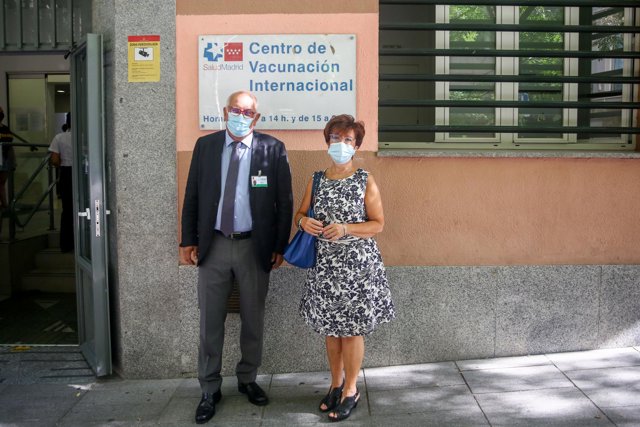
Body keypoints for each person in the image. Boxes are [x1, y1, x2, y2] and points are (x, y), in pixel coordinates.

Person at [180, 90, 293, 424]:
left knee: (253, 318)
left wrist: (279, 246)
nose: (241, 116)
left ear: (256, 118)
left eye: (248, 112)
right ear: (225, 111)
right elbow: (192, 195)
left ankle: (248, 378)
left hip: (254, 247)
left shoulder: (272, 148)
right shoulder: (206, 146)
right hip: (213, 245)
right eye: (236, 110)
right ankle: (209, 388)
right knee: (210, 320)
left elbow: (284, 202)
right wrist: (188, 241)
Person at [295, 114, 395, 422]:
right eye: (336, 138)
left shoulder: (365, 180)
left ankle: (351, 389)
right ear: (328, 142)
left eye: (348, 139)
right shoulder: (316, 179)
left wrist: (346, 228)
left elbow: (378, 224)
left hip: (357, 269)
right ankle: (335, 384)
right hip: (326, 267)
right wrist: (303, 221)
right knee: (331, 330)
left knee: (351, 331)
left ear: (356, 146)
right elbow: (300, 212)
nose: (341, 144)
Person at [48, 113, 74, 252]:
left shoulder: (59, 137)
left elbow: (54, 160)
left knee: (67, 209)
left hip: (66, 173)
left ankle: (66, 244)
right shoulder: (86, 136)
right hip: (84, 172)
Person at [0, 106, 15, 211]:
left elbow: (10, 145)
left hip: (5, 158)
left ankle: (5, 205)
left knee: (2, 183)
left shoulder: (5, 128)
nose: (1, 112)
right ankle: (5, 204)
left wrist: (13, 161)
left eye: (2, 111)